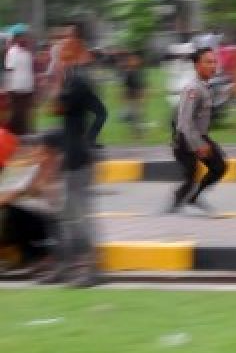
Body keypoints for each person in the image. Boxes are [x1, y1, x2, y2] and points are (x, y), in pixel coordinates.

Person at [40, 23, 106, 287]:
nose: (60, 43)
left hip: (78, 157)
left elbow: (55, 108)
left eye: (66, 38)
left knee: (80, 214)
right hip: (71, 153)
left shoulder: (77, 80)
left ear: (78, 44)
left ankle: (90, 270)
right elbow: (100, 112)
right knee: (66, 213)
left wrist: (86, 142)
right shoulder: (74, 77)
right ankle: (66, 267)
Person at [168, 48, 227, 217]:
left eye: (214, 62)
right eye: (208, 62)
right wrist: (198, 145)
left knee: (219, 166)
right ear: (196, 65)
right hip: (186, 140)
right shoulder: (192, 89)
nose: (213, 66)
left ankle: (188, 200)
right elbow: (185, 122)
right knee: (192, 176)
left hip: (198, 136)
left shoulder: (204, 86)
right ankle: (178, 205)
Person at [0, 130, 62, 276]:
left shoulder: (62, 169)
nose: (34, 154)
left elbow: (10, 195)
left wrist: (37, 183)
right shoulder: (23, 169)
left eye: (40, 150)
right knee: (11, 212)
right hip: (34, 219)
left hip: (52, 223)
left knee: (12, 212)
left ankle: (43, 257)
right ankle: (31, 257)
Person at [5, 25, 36, 136]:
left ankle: (23, 135)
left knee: (26, 114)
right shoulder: (12, 52)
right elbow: (9, 70)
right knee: (17, 114)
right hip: (16, 88)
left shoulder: (28, 52)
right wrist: (8, 88)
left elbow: (30, 69)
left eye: (27, 37)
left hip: (28, 87)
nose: (27, 39)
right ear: (17, 38)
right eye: (24, 37)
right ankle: (12, 135)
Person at [120, 51, 147, 139]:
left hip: (137, 96)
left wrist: (143, 95)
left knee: (138, 115)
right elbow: (125, 86)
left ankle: (137, 133)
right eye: (132, 60)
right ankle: (136, 133)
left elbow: (142, 85)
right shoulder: (128, 72)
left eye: (136, 60)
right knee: (134, 115)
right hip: (131, 96)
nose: (135, 61)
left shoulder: (138, 72)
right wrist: (124, 97)